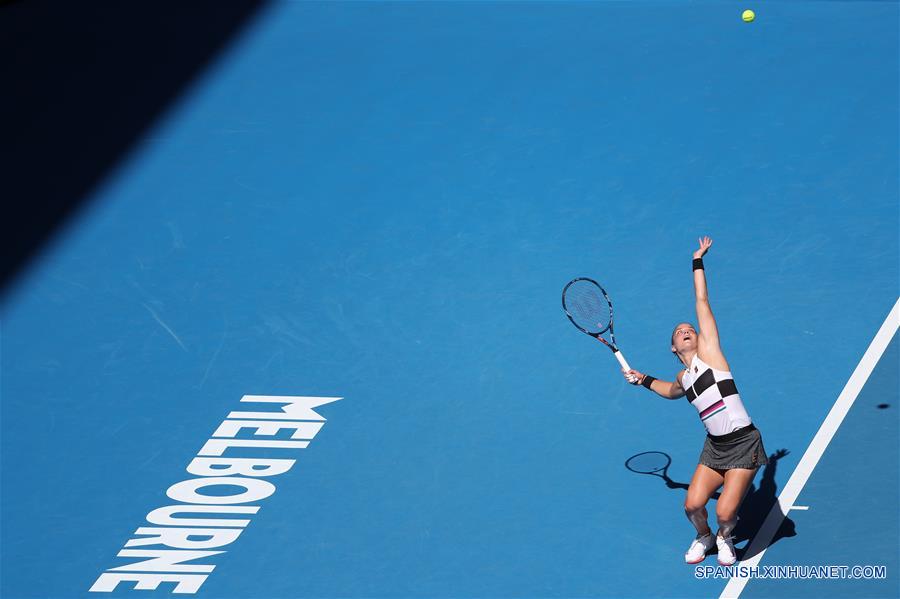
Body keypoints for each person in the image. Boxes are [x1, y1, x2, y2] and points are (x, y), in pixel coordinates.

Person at [623, 236, 768, 566]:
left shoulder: (712, 354)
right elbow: (667, 390)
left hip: (744, 443)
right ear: (674, 348)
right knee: (691, 506)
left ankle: (725, 535)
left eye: (691, 328)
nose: (687, 330)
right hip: (714, 447)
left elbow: (702, 301)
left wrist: (697, 260)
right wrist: (641, 379)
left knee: (726, 512)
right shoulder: (683, 379)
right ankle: (704, 536)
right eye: (679, 331)